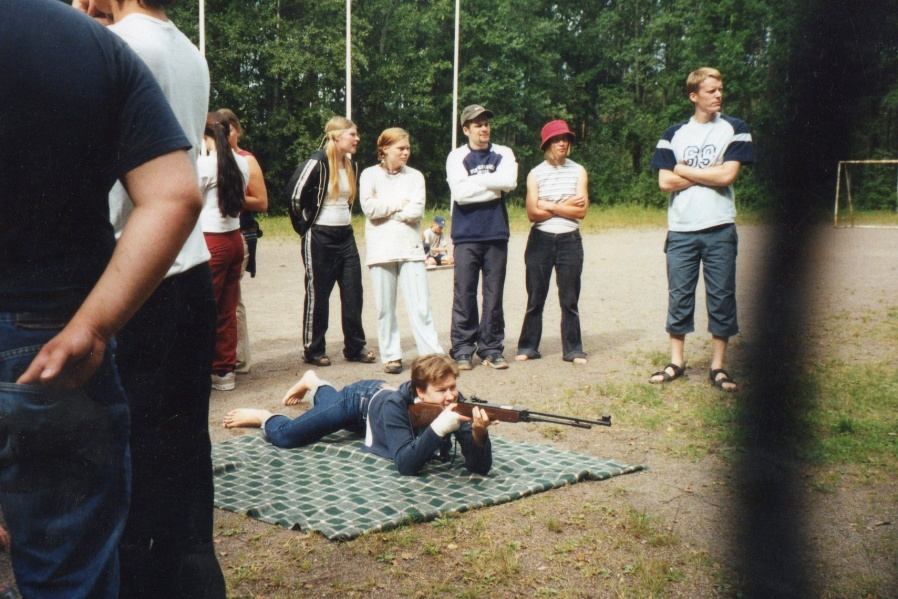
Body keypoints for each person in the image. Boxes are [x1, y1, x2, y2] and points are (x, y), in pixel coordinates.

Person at [1, 1, 201, 596]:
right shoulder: (91, 44)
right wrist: (94, 325)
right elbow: (174, 196)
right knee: (67, 575)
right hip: (48, 347)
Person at [70, 0, 228, 595]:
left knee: (126, 457)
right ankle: (193, 577)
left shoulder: (119, 45)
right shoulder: (186, 48)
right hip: (187, 269)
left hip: (137, 271)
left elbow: (106, 176)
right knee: (185, 451)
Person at [648, 67, 753, 392]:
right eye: (711, 91)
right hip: (681, 229)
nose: (718, 95)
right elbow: (665, 182)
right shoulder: (674, 133)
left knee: (721, 296)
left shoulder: (736, 128)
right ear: (694, 95)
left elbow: (727, 177)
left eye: (720, 89)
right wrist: (708, 169)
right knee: (679, 295)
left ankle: (718, 366)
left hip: (720, 227)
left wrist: (682, 168)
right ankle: (676, 361)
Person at [223, 355, 492, 476]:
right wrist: (440, 429)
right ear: (419, 391)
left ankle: (315, 382)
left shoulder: (454, 402)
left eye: (453, 387)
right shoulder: (397, 405)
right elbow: (405, 465)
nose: (451, 395)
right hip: (359, 400)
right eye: (442, 390)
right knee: (288, 436)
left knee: (326, 405)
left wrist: (479, 434)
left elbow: (479, 468)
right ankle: (263, 416)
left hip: (371, 420)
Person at [286, 116, 376, 367]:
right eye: (352, 135)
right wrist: (304, 227)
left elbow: (348, 201)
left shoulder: (351, 165)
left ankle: (355, 346)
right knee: (319, 293)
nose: (357, 139)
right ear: (336, 137)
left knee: (353, 292)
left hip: (345, 235)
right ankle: (313, 349)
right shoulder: (317, 162)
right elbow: (294, 196)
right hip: (319, 236)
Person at [359, 128, 444, 375]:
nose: (406, 153)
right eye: (401, 148)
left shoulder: (415, 176)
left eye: (408, 148)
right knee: (385, 307)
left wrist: (388, 209)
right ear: (384, 149)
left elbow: (415, 212)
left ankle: (430, 354)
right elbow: (369, 209)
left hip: (411, 249)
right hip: (380, 250)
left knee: (420, 306)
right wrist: (399, 205)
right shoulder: (368, 175)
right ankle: (391, 355)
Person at [446, 104, 518, 371]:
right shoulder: (456, 157)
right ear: (466, 129)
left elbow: (509, 182)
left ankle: (491, 348)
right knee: (464, 292)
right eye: (477, 124)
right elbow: (461, 194)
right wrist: (492, 183)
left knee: (493, 293)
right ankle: (463, 349)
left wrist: (476, 183)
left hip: (496, 232)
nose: (484, 128)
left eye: (486, 123)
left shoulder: (504, 153)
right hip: (466, 235)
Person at [515, 120, 589, 365]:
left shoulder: (578, 171)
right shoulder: (535, 173)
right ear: (546, 144)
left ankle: (573, 348)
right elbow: (532, 214)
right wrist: (565, 205)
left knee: (569, 297)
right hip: (540, 240)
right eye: (557, 139)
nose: (562, 143)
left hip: (570, 239)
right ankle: (528, 346)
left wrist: (549, 204)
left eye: (566, 139)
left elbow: (581, 212)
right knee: (536, 295)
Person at [200, 112, 250, 391]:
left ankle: (201, 368)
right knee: (227, 309)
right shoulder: (241, 163)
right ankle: (224, 370)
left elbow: (190, 204)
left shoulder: (204, 165)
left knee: (204, 309)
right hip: (234, 239)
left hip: (212, 240)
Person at [217, 107, 268, 375]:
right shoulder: (210, 157)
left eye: (231, 129)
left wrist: (229, 195)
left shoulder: (246, 160)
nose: (227, 135)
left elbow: (261, 201)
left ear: (238, 129)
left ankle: (238, 358)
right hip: (216, 230)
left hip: (240, 229)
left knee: (232, 300)